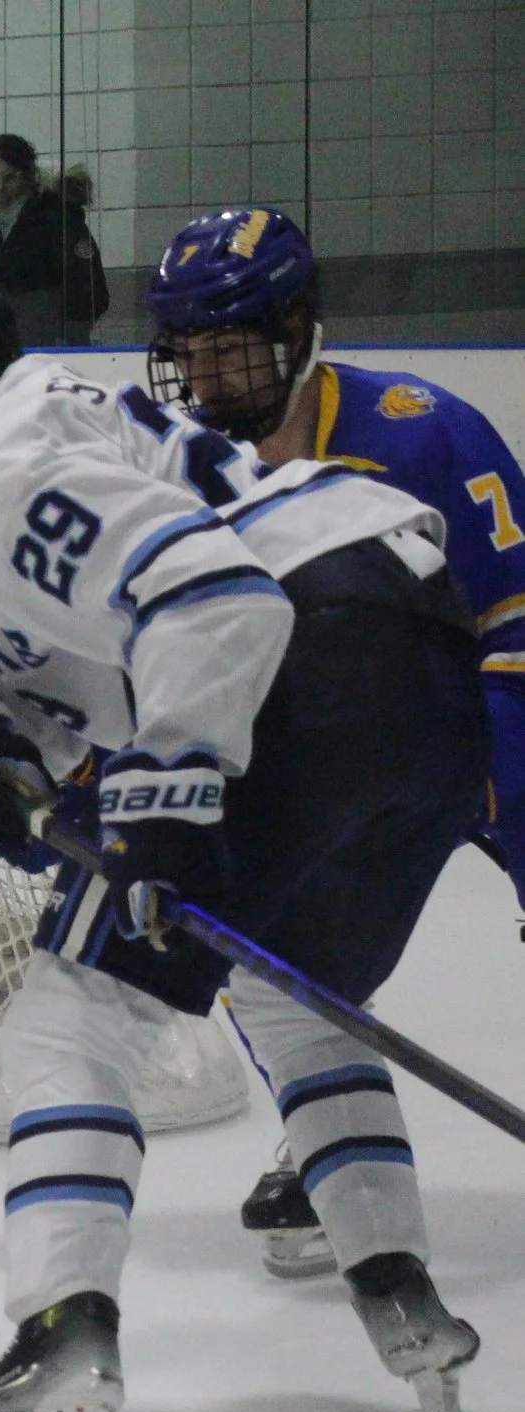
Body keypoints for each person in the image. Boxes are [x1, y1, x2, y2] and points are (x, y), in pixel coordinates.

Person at [0, 251, 489, 1412]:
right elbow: (54, 657)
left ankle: (57, 1364)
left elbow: (217, 603)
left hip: (310, 653)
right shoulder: (51, 428)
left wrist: (171, 786)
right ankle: (400, 1291)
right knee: (290, 990)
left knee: (72, 1012)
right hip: (424, 690)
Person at [145, 206, 525, 1282]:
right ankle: (330, 1134)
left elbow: (517, 618)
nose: (206, 378)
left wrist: (484, 773)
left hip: (486, 723)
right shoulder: (179, 474)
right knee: (248, 932)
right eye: (189, 353)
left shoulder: (422, 435)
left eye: (230, 347)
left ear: (298, 326)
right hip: (336, 750)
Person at [0, 135, 107, 347]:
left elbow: (92, 294)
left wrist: (49, 327)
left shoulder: (58, 222)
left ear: (29, 178)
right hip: (14, 349)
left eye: (10, 178)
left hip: (54, 348)